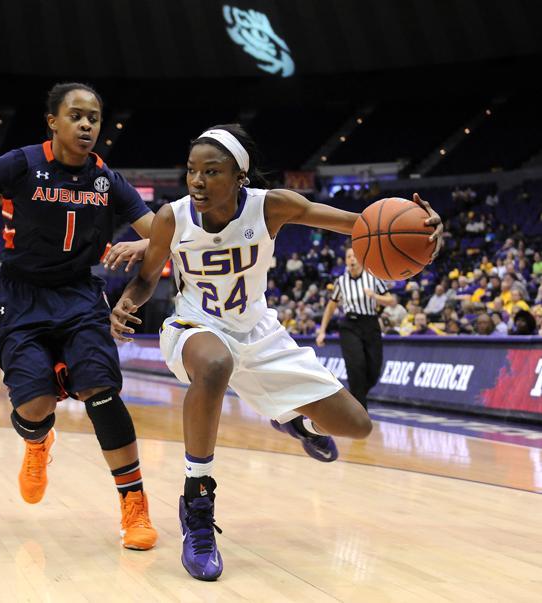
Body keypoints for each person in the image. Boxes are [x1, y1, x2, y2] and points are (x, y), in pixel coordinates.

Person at [109, 124, 443, 580]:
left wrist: (423, 229)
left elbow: (361, 226)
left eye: (212, 171)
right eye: (191, 171)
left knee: (356, 425)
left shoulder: (273, 207)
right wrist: (126, 303)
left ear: (240, 176)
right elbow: (148, 278)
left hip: (259, 333)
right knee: (214, 363)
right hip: (194, 327)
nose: (198, 182)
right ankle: (197, 505)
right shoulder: (172, 217)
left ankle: (296, 420)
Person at [0, 82, 158, 550]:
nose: (87, 124)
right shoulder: (19, 164)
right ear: (53, 122)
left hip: (79, 297)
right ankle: (36, 442)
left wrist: (146, 242)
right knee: (34, 408)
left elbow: (163, 233)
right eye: (76, 115)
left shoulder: (108, 180)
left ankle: (134, 506)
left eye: (94, 117)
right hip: (22, 297)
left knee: (103, 393)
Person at [316, 248, 397, 410]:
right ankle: (360, 412)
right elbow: (331, 306)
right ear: (345, 261)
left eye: (355, 256)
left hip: (370, 323)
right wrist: (322, 330)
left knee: (374, 370)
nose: (352, 259)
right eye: (348, 257)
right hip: (349, 326)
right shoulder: (341, 281)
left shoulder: (373, 277)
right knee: (356, 366)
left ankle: (355, 397)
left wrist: (375, 296)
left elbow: (391, 300)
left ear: (361, 259)